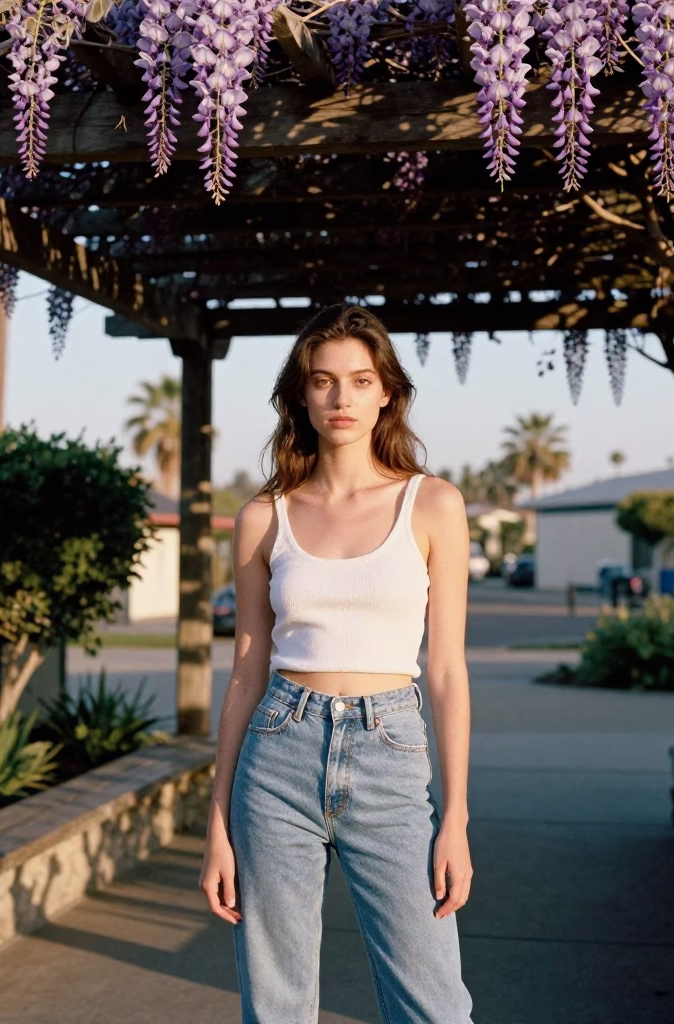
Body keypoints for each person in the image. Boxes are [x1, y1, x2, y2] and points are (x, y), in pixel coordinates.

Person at [199, 304, 474, 1024]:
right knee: (278, 1002)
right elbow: (246, 675)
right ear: (301, 394)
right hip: (279, 753)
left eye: (359, 380)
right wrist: (218, 822)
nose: (341, 398)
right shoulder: (265, 516)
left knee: (434, 1004)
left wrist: (457, 820)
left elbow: (446, 670)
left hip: (390, 752)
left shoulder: (434, 504)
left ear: (387, 391)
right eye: (323, 381)